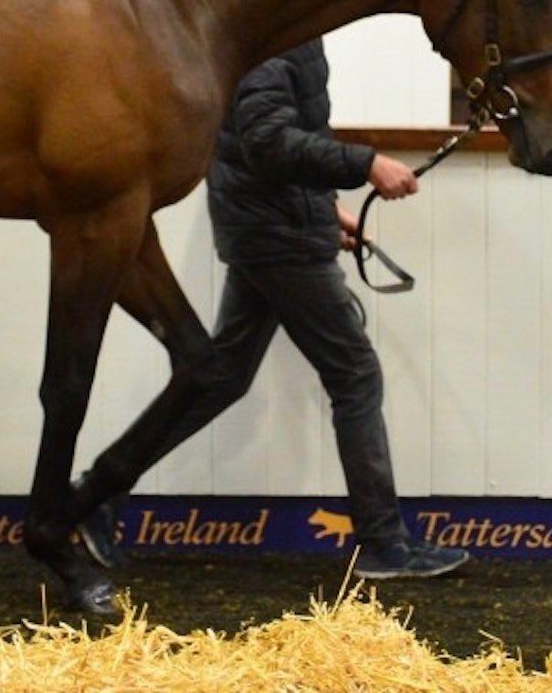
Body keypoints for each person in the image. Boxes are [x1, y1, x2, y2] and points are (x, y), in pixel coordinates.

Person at [79, 39, 470, 580]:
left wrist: (325, 210)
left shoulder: (290, 34)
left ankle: (95, 495)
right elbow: (268, 141)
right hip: (277, 240)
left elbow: (273, 142)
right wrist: (366, 164)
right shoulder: (274, 41)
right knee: (354, 375)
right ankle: (383, 544)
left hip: (270, 230)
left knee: (220, 378)